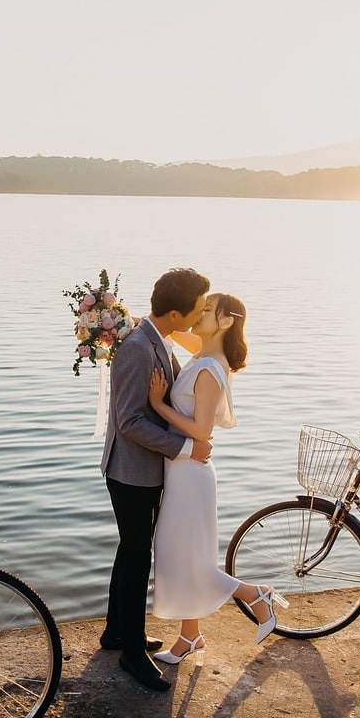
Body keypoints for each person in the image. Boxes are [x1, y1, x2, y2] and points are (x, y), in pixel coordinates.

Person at [148, 292, 287, 664]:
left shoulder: (210, 369)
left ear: (225, 322)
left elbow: (203, 431)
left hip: (191, 475)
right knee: (180, 553)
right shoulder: (204, 351)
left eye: (207, 310)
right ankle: (189, 637)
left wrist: (160, 405)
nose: (199, 313)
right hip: (181, 471)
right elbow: (174, 331)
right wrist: (134, 320)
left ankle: (255, 594)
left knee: (187, 558)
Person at [101, 267, 212, 692]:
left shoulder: (158, 338)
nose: (200, 314)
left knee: (131, 551)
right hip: (131, 472)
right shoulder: (137, 348)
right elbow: (128, 421)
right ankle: (132, 652)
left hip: (145, 469)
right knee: (137, 557)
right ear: (173, 312)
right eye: (197, 308)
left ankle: (116, 632)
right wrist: (185, 448)